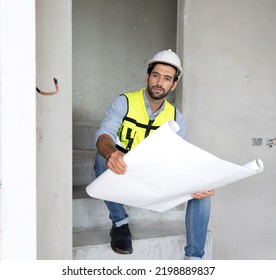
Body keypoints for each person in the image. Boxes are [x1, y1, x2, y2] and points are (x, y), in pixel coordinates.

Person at [94, 49, 214, 259]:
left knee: (202, 191)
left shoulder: (176, 116)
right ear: (147, 76)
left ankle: (194, 259)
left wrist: (198, 179)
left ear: (174, 84)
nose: (160, 82)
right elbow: (104, 134)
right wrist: (111, 153)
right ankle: (120, 224)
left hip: (155, 178)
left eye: (167, 78)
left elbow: (181, 158)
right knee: (101, 159)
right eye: (156, 75)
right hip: (125, 172)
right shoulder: (125, 102)